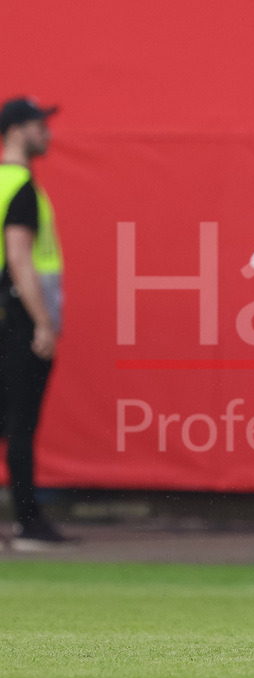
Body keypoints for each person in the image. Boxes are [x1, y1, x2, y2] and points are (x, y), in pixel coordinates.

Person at [0, 96, 69, 547]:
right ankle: (28, 523)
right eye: (38, 124)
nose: (46, 132)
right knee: (21, 425)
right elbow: (20, 258)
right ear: (17, 130)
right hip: (17, 321)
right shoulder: (22, 184)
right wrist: (43, 323)